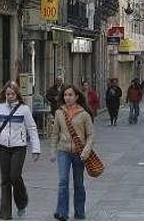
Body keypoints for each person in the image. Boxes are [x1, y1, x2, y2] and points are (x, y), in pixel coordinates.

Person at [0, 81, 42, 220]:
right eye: (7, 94)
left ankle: (22, 202)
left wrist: (36, 149)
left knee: (15, 176)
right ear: (4, 94)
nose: (10, 96)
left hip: (19, 147)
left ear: (17, 94)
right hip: (3, 148)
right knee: (5, 179)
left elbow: (32, 128)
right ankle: (5, 213)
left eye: (12, 94)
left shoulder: (24, 109)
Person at [52, 85, 95, 221]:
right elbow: (55, 134)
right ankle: (62, 212)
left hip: (79, 152)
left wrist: (86, 151)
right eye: (65, 95)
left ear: (77, 96)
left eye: (70, 95)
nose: (67, 98)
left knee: (78, 183)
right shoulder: (59, 113)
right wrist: (53, 151)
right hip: (63, 150)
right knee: (63, 181)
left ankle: (79, 211)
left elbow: (91, 135)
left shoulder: (84, 114)